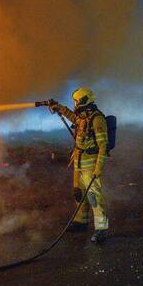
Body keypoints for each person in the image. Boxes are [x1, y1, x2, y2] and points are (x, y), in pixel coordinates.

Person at [48, 87, 110, 243]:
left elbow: (103, 146)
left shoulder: (97, 119)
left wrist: (98, 169)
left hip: (90, 167)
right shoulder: (82, 117)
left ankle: (101, 229)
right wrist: (59, 108)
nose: (75, 104)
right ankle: (81, 222)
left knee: (94, 198)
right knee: (79, 194)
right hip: (78, 163)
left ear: (83, 101)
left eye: (76, 101)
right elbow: (72, 117)